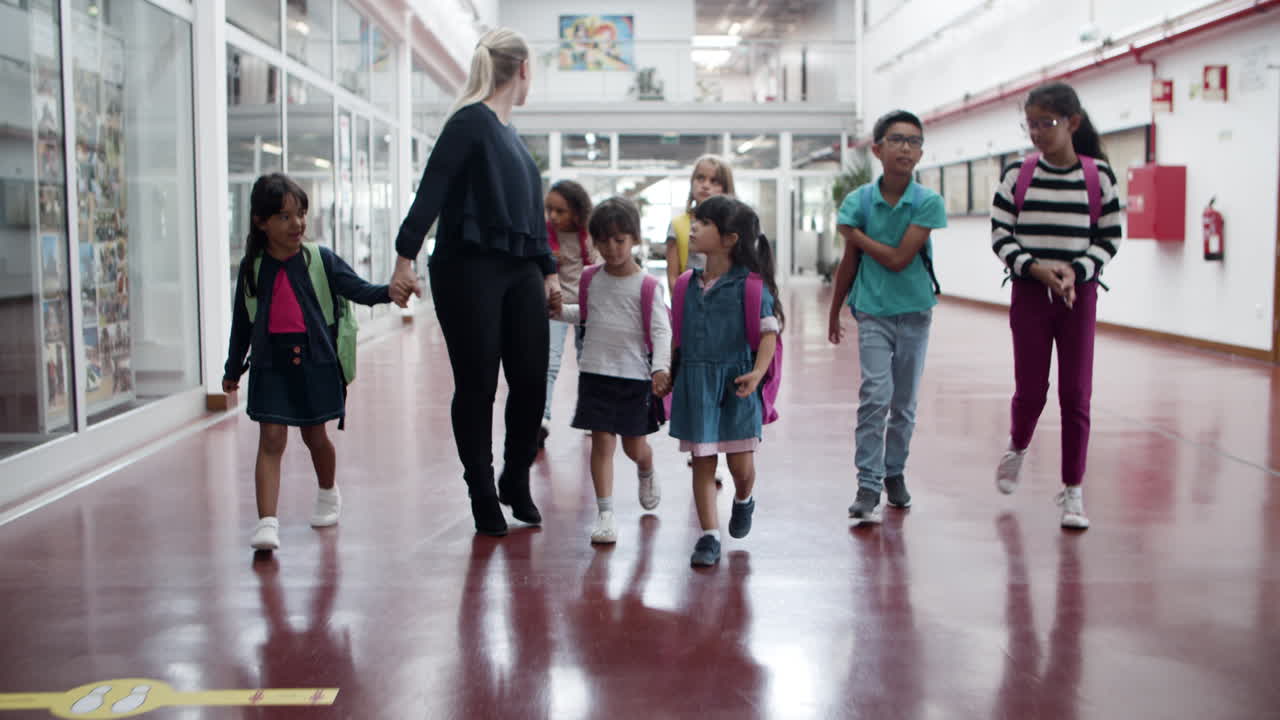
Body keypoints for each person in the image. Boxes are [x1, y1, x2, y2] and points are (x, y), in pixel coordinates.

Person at [224, 173, 393, 551]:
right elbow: (242, 322)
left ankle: (328, 492)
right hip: (270, 366)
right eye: (284, 217)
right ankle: (267, 522)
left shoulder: (320, 259)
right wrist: (232, 369)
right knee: (270, 439)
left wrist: (389, 293)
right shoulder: (252, 268)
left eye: (300, 214)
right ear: (261, 222)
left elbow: (358, 290)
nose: (297, 223)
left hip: (315, 362)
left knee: (315, 436)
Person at [990, 82, 1122, 530]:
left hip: (1077, 297)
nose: (1038, 133)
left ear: (1073, 123)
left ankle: (1072, 491)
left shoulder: (1098, 177)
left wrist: (1076, 271)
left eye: (1047, 123)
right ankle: (1019, 445)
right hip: (1030, 293)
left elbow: (1109, 237)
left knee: (1075, 394)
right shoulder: (1018, 175)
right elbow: (1001, 234)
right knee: (1031, 389)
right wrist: (1037, 269)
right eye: (1031, 124)